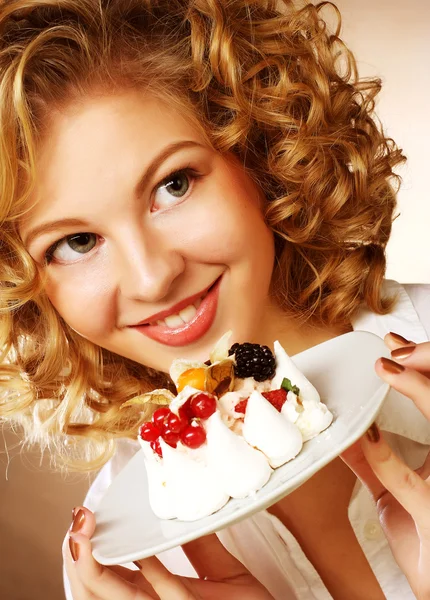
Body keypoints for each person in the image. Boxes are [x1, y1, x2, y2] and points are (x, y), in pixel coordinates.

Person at [0, 0, 429, 598]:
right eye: (77, 242)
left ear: (260, 149)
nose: (152, 278)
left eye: (172, 186)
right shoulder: (125, 563)